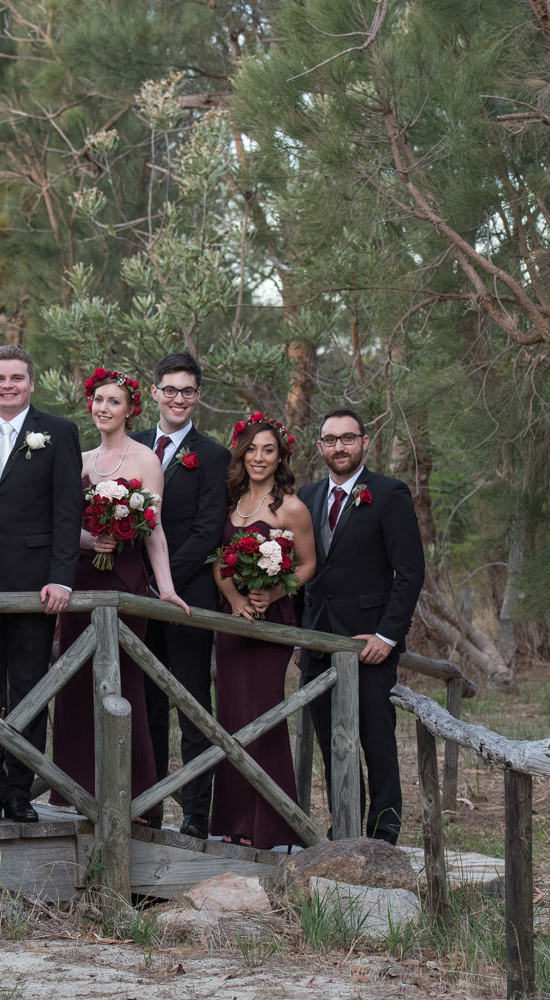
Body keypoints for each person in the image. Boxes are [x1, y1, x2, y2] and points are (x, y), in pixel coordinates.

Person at [52, 368, 189, 819]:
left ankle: (134, 803)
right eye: (98, 400)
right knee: (74, 690)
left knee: (123, 689)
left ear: (131, 409)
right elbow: (62, 529)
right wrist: (93, 542)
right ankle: (74, 798)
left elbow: (156, 532)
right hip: (82, 580)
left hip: (125, 581)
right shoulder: (82, 459)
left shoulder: (146, 460)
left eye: (114, 401)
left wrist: (165, 589)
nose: (103, 408)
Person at [0, 345, 82, 824]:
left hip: (34, 584)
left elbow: (68, 512)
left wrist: (60, 577)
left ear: (31, 384)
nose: (7, 385)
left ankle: (20, 791)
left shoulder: (59, 432)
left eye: (16, 378)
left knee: (29, 689)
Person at [298, 408, 425, 844]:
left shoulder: (389, 494)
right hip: (316, 639)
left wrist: (388, 636)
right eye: (331, 440)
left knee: (376, 738)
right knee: (332, 744)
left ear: (364, 442)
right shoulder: (307, 495)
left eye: (348, 438)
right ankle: (345, 824)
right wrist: (299, 633)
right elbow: (303, 568)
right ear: (320, 447)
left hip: (369, 641)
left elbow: (410, 572)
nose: (339, 447)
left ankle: (384, 829)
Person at [208, 413, 317, 849]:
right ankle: (236, 823)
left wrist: (272, 594)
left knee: (264, 716)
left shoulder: (291, 506)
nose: (259, 457)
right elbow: (218, 564)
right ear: (241, 453)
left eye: (268, 450)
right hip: (232, 622)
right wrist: (234, 599)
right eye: (252, 449)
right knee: (231, 717)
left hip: (272, 623)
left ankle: (271, 825)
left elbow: (308, 563)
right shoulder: (230, 503)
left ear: (280, 456)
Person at [133, 352, 229, 838]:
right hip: (138, 603)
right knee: (144, 705)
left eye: (187, 391)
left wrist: (163, 579)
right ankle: (147, 809)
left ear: (197, 397)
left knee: (193, 707)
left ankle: (195, 816)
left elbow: (208, 529)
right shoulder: (130, 447)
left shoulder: (212, 456)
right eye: (169, 389)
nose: (178, 398)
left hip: (188, 600)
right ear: (154, 393)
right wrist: (143, 586)